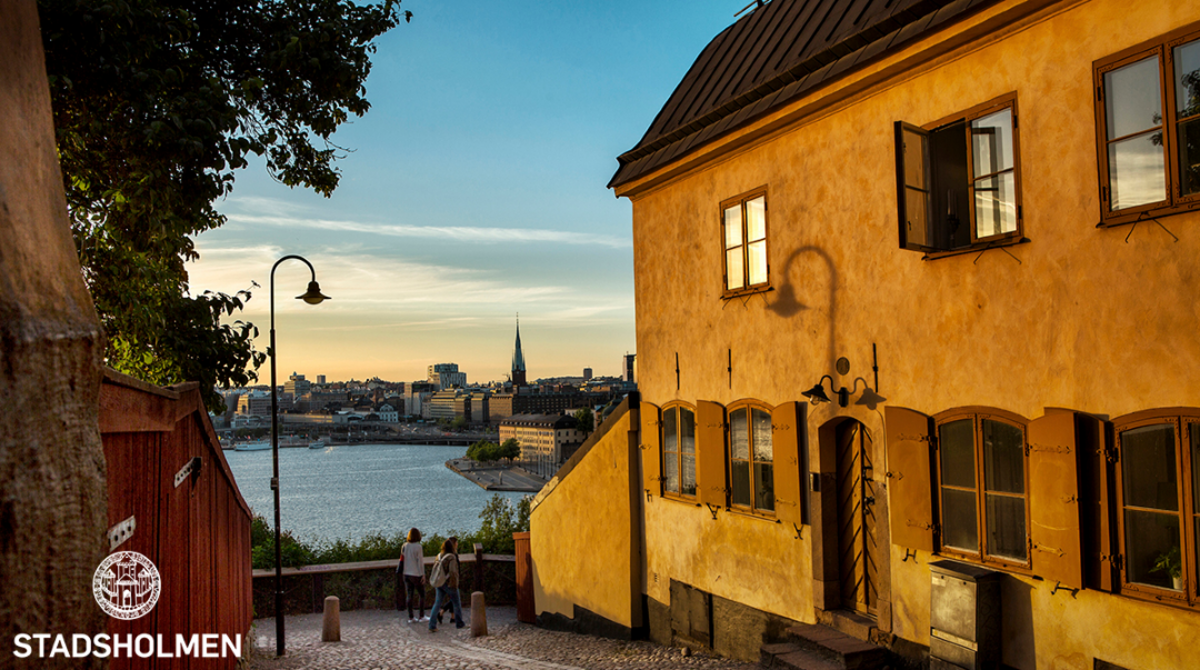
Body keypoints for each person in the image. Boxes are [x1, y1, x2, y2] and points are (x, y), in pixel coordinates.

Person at [428, 536, 465, 632]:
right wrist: (454, 584)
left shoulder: (439, 555)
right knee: (457, 603)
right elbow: (453, 572)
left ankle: (432, 625)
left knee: (437, 603)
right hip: (448, 583)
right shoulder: (451, 557)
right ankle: (459, 623)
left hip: (439, 582)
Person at [397, 528, 426, 623]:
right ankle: (421, 615)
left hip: (406, 573)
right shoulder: (418, 547)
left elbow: (402, 559)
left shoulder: (404, 546)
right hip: (416, 574)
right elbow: (420, 562)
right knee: (422, 594)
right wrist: (423, 574)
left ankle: (411, 617)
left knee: (409, 595)